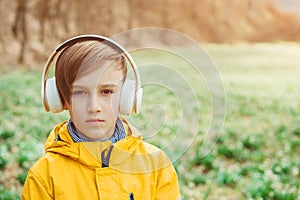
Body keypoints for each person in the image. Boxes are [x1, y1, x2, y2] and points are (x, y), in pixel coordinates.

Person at [21, 35, 181, 200]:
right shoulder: (44, 177)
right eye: (79, 92)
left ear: (127, 97)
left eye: (106, 92)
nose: (93, 107)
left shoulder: (156, 165)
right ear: (61, 99)